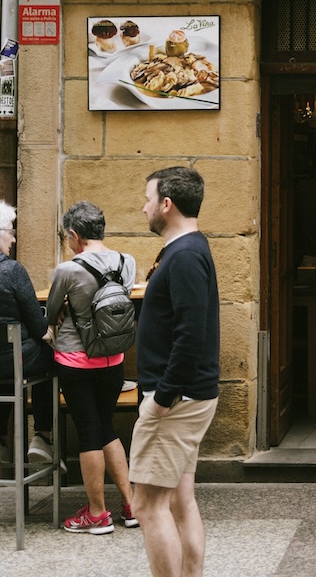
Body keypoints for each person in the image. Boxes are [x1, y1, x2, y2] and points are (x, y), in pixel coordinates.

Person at [131, 167, 220, 577]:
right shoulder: (186, 250)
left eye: (149, 198)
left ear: (167, 204)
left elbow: (190, 333)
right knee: (180, 500)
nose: (144, 206)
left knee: (148, 505)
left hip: (176, 400)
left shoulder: (184, 254)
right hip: (187, 395)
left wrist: (163, 397)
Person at [45, 201, 138, 534]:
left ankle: (97, 515)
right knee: (106, 426)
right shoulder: (127, 262)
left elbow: (51, 311)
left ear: (75, 235)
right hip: (114, 360)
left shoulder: (67, 270)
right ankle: (130, 506)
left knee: (88, 431)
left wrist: (67, 307)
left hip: (76, 359)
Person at [0, 201, 54, 469]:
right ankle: (42, 435)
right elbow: (39, 327)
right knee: (50, 355)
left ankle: (1, 437)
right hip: (16, 362)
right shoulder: (12, 270)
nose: (13, 237)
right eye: (9, 231)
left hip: (5, 365)